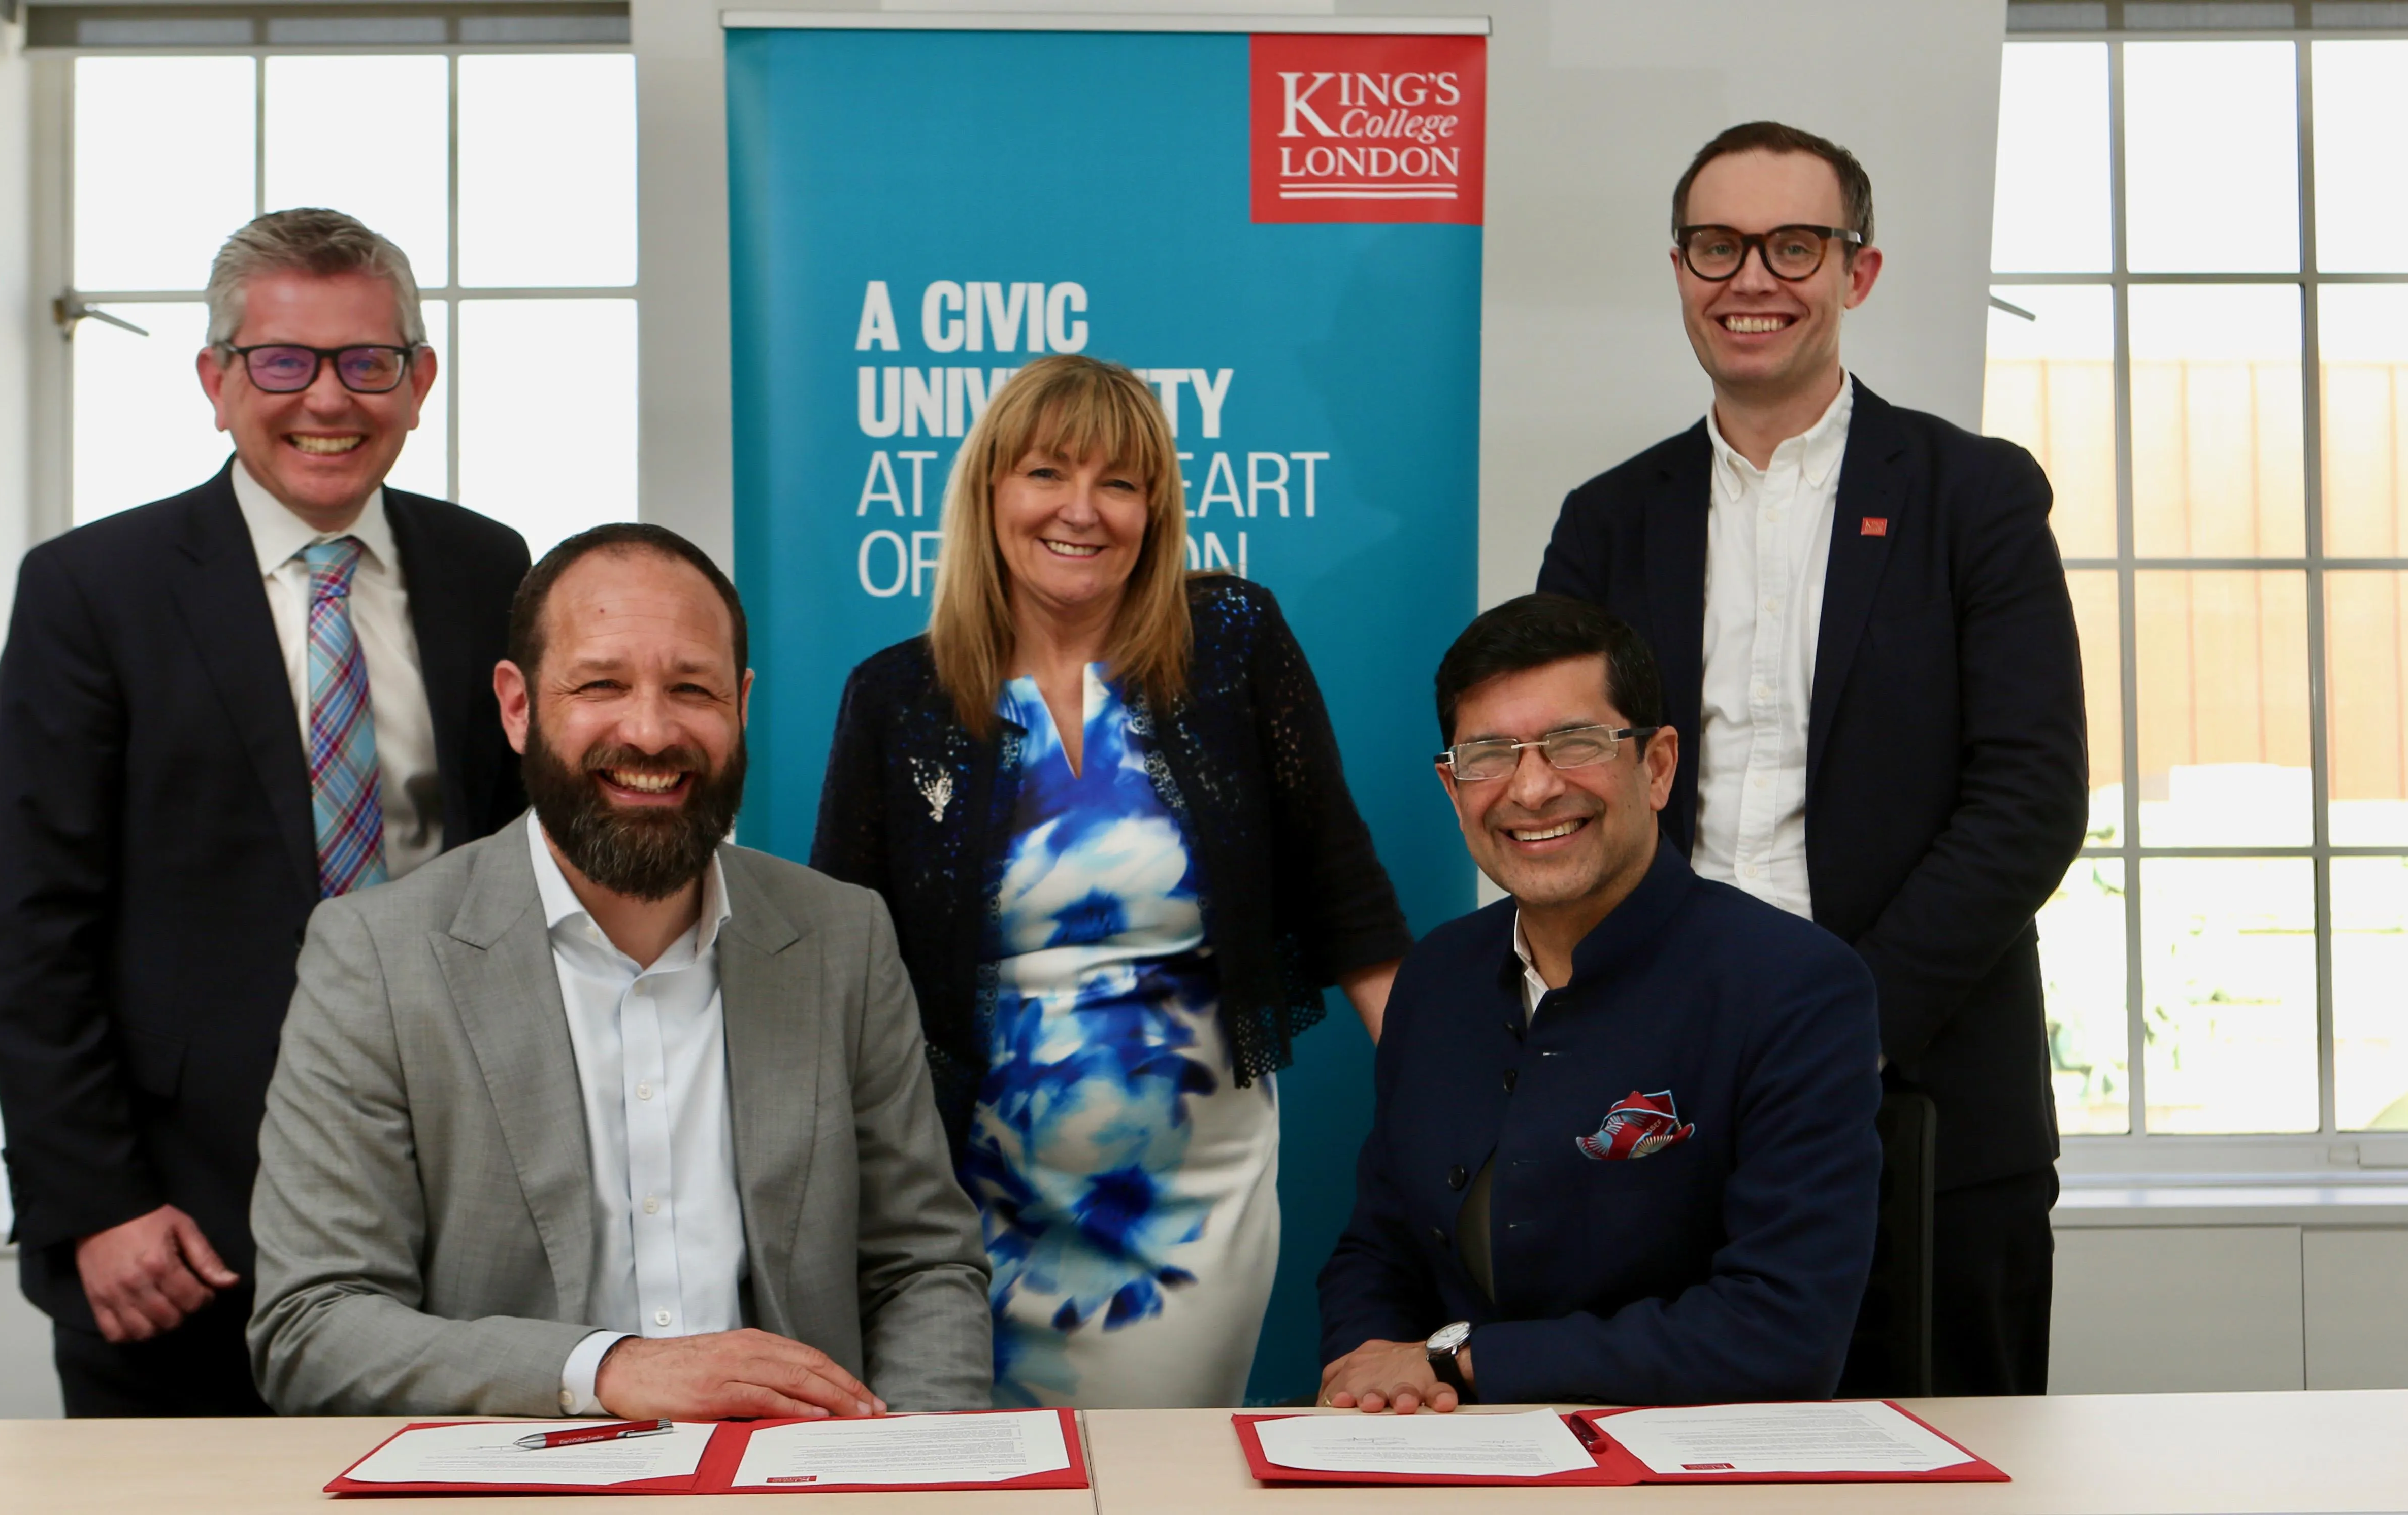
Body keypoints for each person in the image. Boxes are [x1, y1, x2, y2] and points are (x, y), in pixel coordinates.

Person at [1535, 121, 2088, 1397]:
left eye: (1795, 245)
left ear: (1859, 271)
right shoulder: (1608, 518)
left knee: (1945, 1470)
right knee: (1667, 1465)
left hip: (1926, 1092)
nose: (1752, 279)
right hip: (1659, 1094)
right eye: (1716, 246)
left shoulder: (1974, 497)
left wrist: (1840, 1028)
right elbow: (1559, 783)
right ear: (1678, 268)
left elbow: (2029, 798)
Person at [0, 208, 530, 1416]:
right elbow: (31, 926)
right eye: (281, 361)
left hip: (456, 1221)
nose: (324, 398)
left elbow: (522, 878)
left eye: (364, 361)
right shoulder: (91, 591)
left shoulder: (494, 573)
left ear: (418, 381)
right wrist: (97, 1206)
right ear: (216, 381)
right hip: (176, 1232)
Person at [248, 524, 993, 1418]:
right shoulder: (374, 955)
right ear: (518, 706)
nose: (650, 730)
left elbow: (922, 1266)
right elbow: (314, 1326)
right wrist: (608, 1371)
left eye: (692, 689)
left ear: (741, 705)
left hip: (801, 1486)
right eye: (601, 685)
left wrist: (911, 1477)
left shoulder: (842, 935)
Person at [811, 355, 1412, 1410]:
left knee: (1152, 1474)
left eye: (1119, 484)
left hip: (1189, 1206)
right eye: (1047, 473)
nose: (1081, 512)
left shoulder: (1231, 644)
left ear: (1156, 507)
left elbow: (1345, 895)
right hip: (969, 1204)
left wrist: (1454, 1108)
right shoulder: (896, 698)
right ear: (990, 490)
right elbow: (841, 971)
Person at [1315, 593, 1881, 1411]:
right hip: (1443, 1455)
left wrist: (1457, 1364)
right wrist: (1374, 1383)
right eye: (1489, 755)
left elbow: (1782, 1330)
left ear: (1655, 767)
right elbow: (1378, 1249)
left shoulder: (1794, 985)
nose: (1532, 788)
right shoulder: (1436, 976)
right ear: (1451, 786)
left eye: (1573, 744)